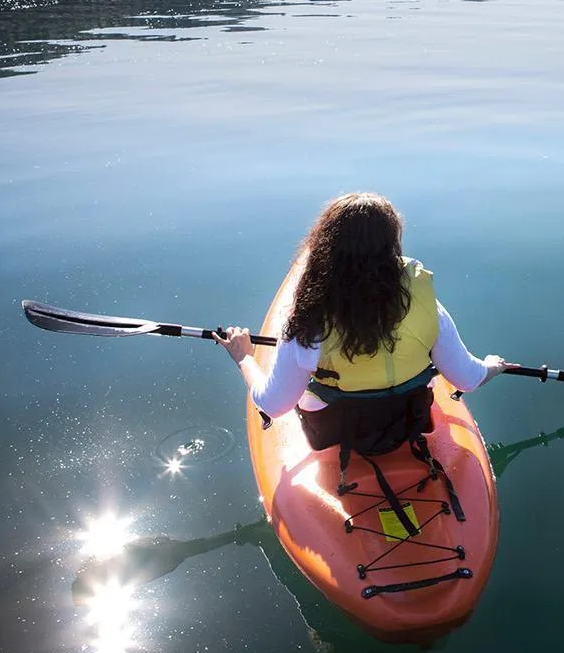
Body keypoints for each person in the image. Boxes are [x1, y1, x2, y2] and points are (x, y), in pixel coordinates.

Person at [212, 192, 509, 460]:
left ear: (326, 248)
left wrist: (244, 358)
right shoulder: (426, 305)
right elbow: (468, 379)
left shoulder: (307, 321)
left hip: (336, 430)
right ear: (392, 245)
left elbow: (274, 406)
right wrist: (493, 366)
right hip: (407, 420)